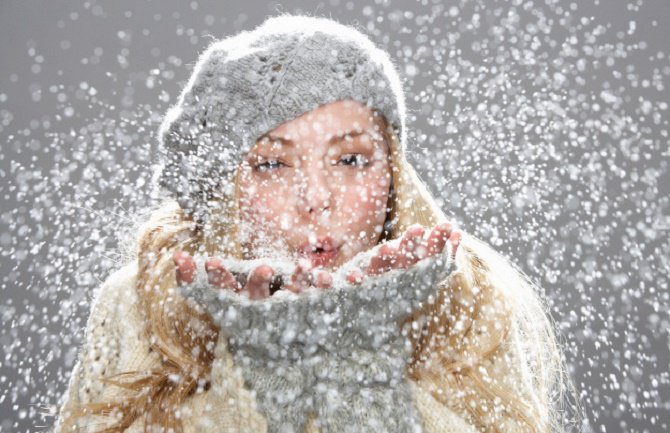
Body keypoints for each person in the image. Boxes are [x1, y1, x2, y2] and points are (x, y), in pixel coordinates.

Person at [54, 13, 579, 433]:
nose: (316, 200)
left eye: (350, 160)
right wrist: (254, 361)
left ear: (393, 175)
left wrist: (355, 346)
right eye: (272, 163)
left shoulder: (466, 295)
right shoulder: (142, 302)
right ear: (221, 190)